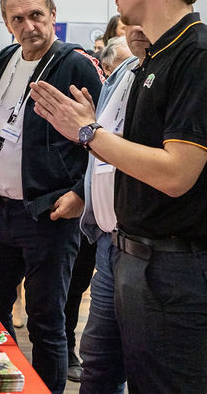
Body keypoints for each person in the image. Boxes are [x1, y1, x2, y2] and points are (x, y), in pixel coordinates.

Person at [30, 0, 207, 393]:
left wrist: (88, 132)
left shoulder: (200, 54)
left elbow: (175, 173)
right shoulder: (157, 55)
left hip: (171, 265)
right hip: (131, 253)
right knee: (100, 374)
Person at [0, 0, 103, 393]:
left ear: (53, 15)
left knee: (46, 323)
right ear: (7, 23)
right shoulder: (6, 58)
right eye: (18, 19)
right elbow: (2, 120)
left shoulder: (76, 64)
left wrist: (82, 192)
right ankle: (6, 385)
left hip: (48, 213)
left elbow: (105, 137)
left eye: (37, 15)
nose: (29, 26)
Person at [74, 30, 145, 392]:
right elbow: (99, 148)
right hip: (108, 237)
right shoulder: (121, 75)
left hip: (149, 249)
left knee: (146, 363)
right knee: (98, 360)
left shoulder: (185, 69)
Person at [63, 34, 130, 384]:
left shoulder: (134, 89)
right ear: (105, 67)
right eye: (121, 64)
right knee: (73, 285)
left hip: (116, 220)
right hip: (87, 209)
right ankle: (66, 347)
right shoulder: (92, 91)